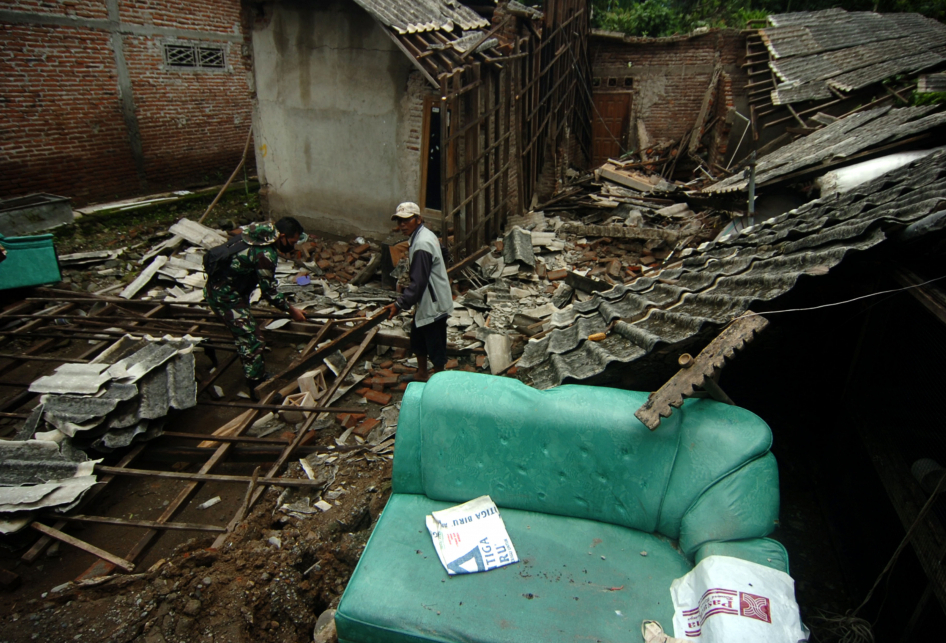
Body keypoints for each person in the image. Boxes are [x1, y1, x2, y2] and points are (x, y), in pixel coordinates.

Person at [204, 217, 307, 396]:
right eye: (292, 242)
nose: (293, 245)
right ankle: (256, 386)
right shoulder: (265, 254)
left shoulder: (258, 232)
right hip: (225, 297)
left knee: (246, 329)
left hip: (226, 288)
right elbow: (269, 291)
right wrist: (292, 311)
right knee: (252, 340)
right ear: (281, 236)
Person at [382, 202, 453, 382]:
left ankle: (439, 381)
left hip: (433, 301)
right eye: (399, 221)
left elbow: (419, 281)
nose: (402, 225)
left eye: (407, 220)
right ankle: (422, 373)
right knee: (418, 337)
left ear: (418, 219)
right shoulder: (424, 235)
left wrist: (400, 304)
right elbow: (443, 253)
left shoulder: (422, 243)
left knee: (435, 343)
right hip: (429, 298)